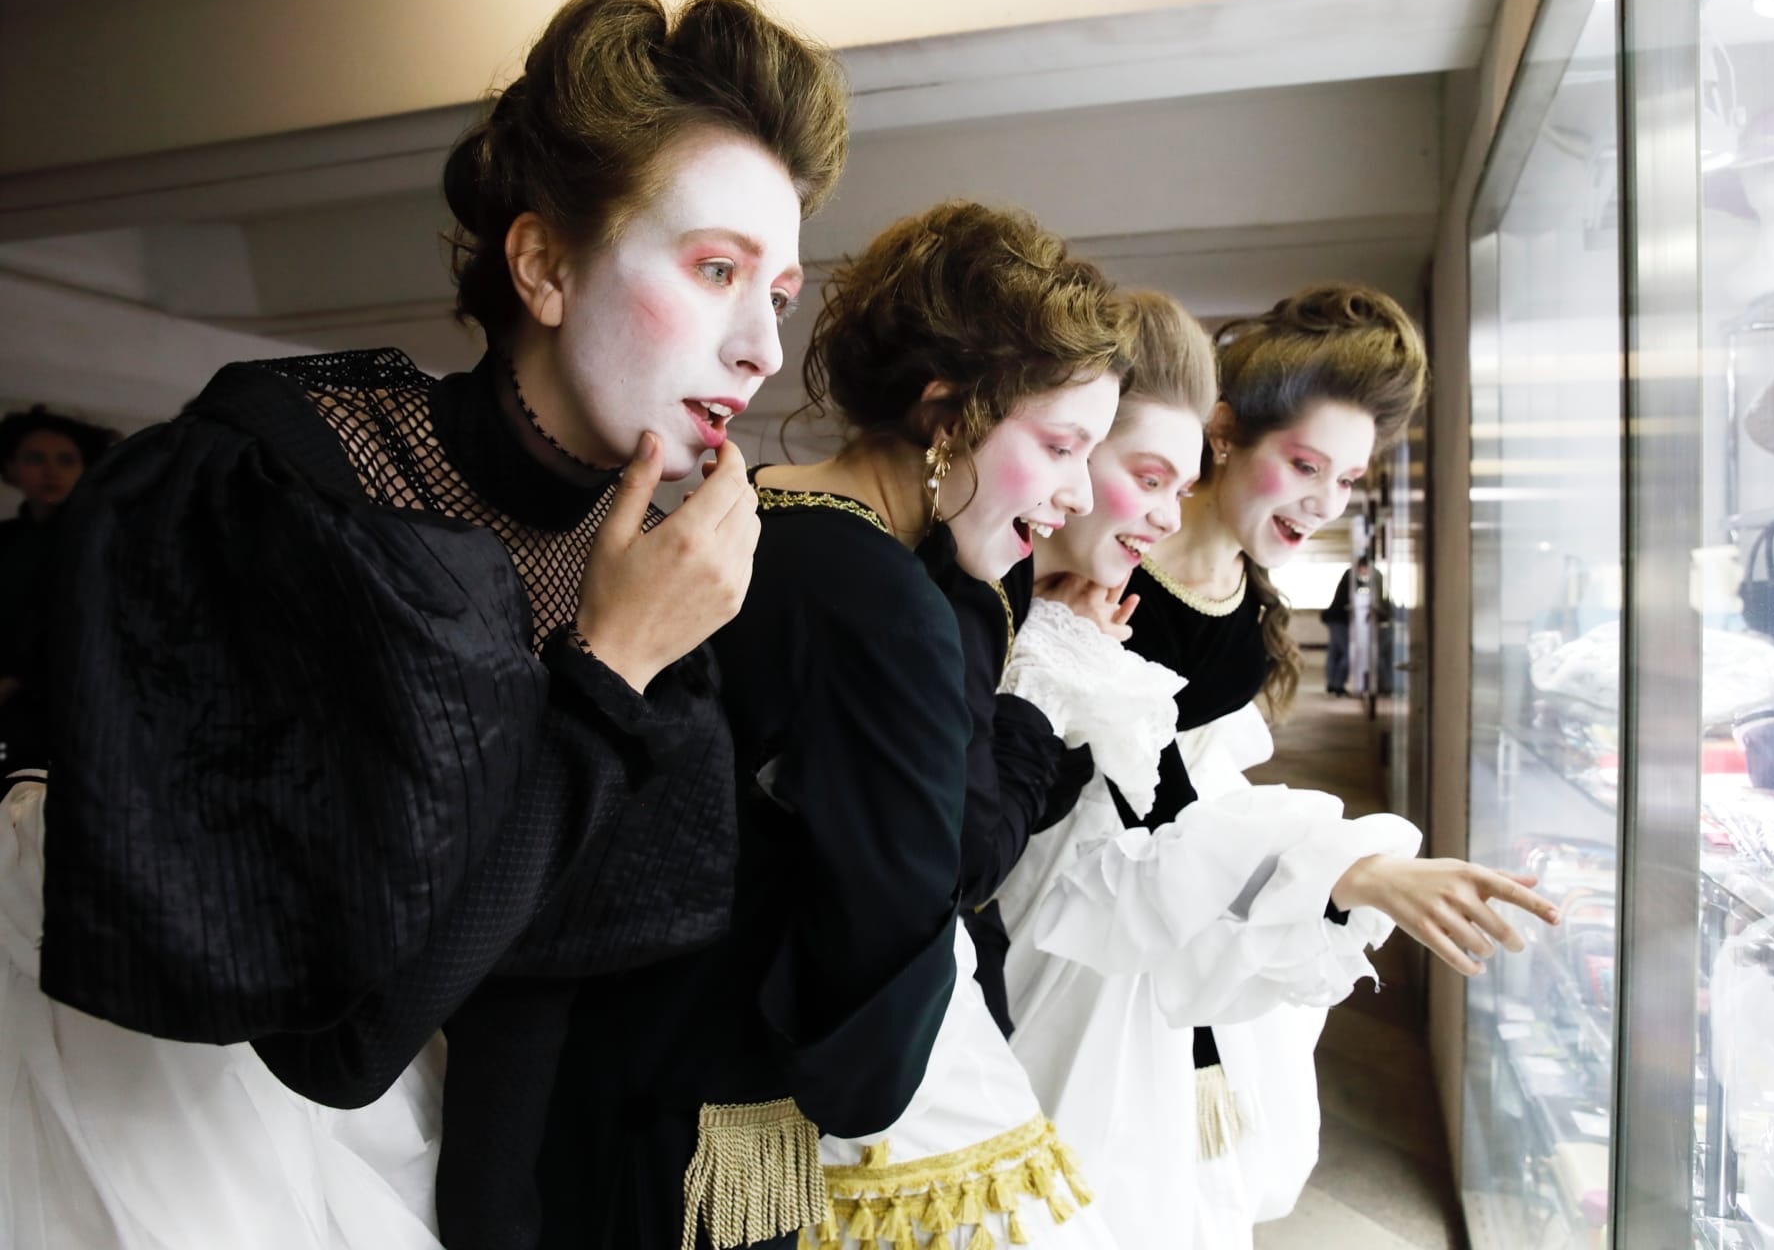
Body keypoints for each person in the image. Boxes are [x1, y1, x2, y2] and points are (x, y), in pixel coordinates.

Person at [5, 0, 848, 1250]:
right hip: (179, 1103)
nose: (763, 348)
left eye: (777, 293)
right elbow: (340, 1043)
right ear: (544, 265)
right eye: (717, 269)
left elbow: (532, 982)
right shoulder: (285, 483)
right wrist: (610, 669)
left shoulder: (639, 559)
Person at [534, 201, 1131, 1250]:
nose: (1078, 492)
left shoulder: (759, 515)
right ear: (946, 413)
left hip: (587, 1068)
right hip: (705, 1133)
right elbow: (886, 988)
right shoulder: (886, 605)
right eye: (1059, 445)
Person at [998, 285, 1560, 1249]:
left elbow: (1194, 791)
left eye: (1348, 479)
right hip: (1071, 896)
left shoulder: (1251, 606)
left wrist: (1319, 871)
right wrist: (1337, 868)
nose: (1325, 502)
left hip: (1180, 892)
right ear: (1223, 436)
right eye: (1305, 465)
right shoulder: (1096, 563)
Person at [0, 405, 118, 775]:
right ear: (11, 468)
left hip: (73, 704)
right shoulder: (6, 540)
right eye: (35, 459)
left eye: (66, 460)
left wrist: (18, 678)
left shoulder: (103, 542)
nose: (51, 471)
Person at [1321, 553, 1373, 697]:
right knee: (1347, 653)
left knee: (1335, 652)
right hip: (1339, 620)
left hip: (1335, 619)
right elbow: (1358, 590)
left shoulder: (1349, 575)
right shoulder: (1351, 576)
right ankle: (1337, 684)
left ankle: (1332, 683)